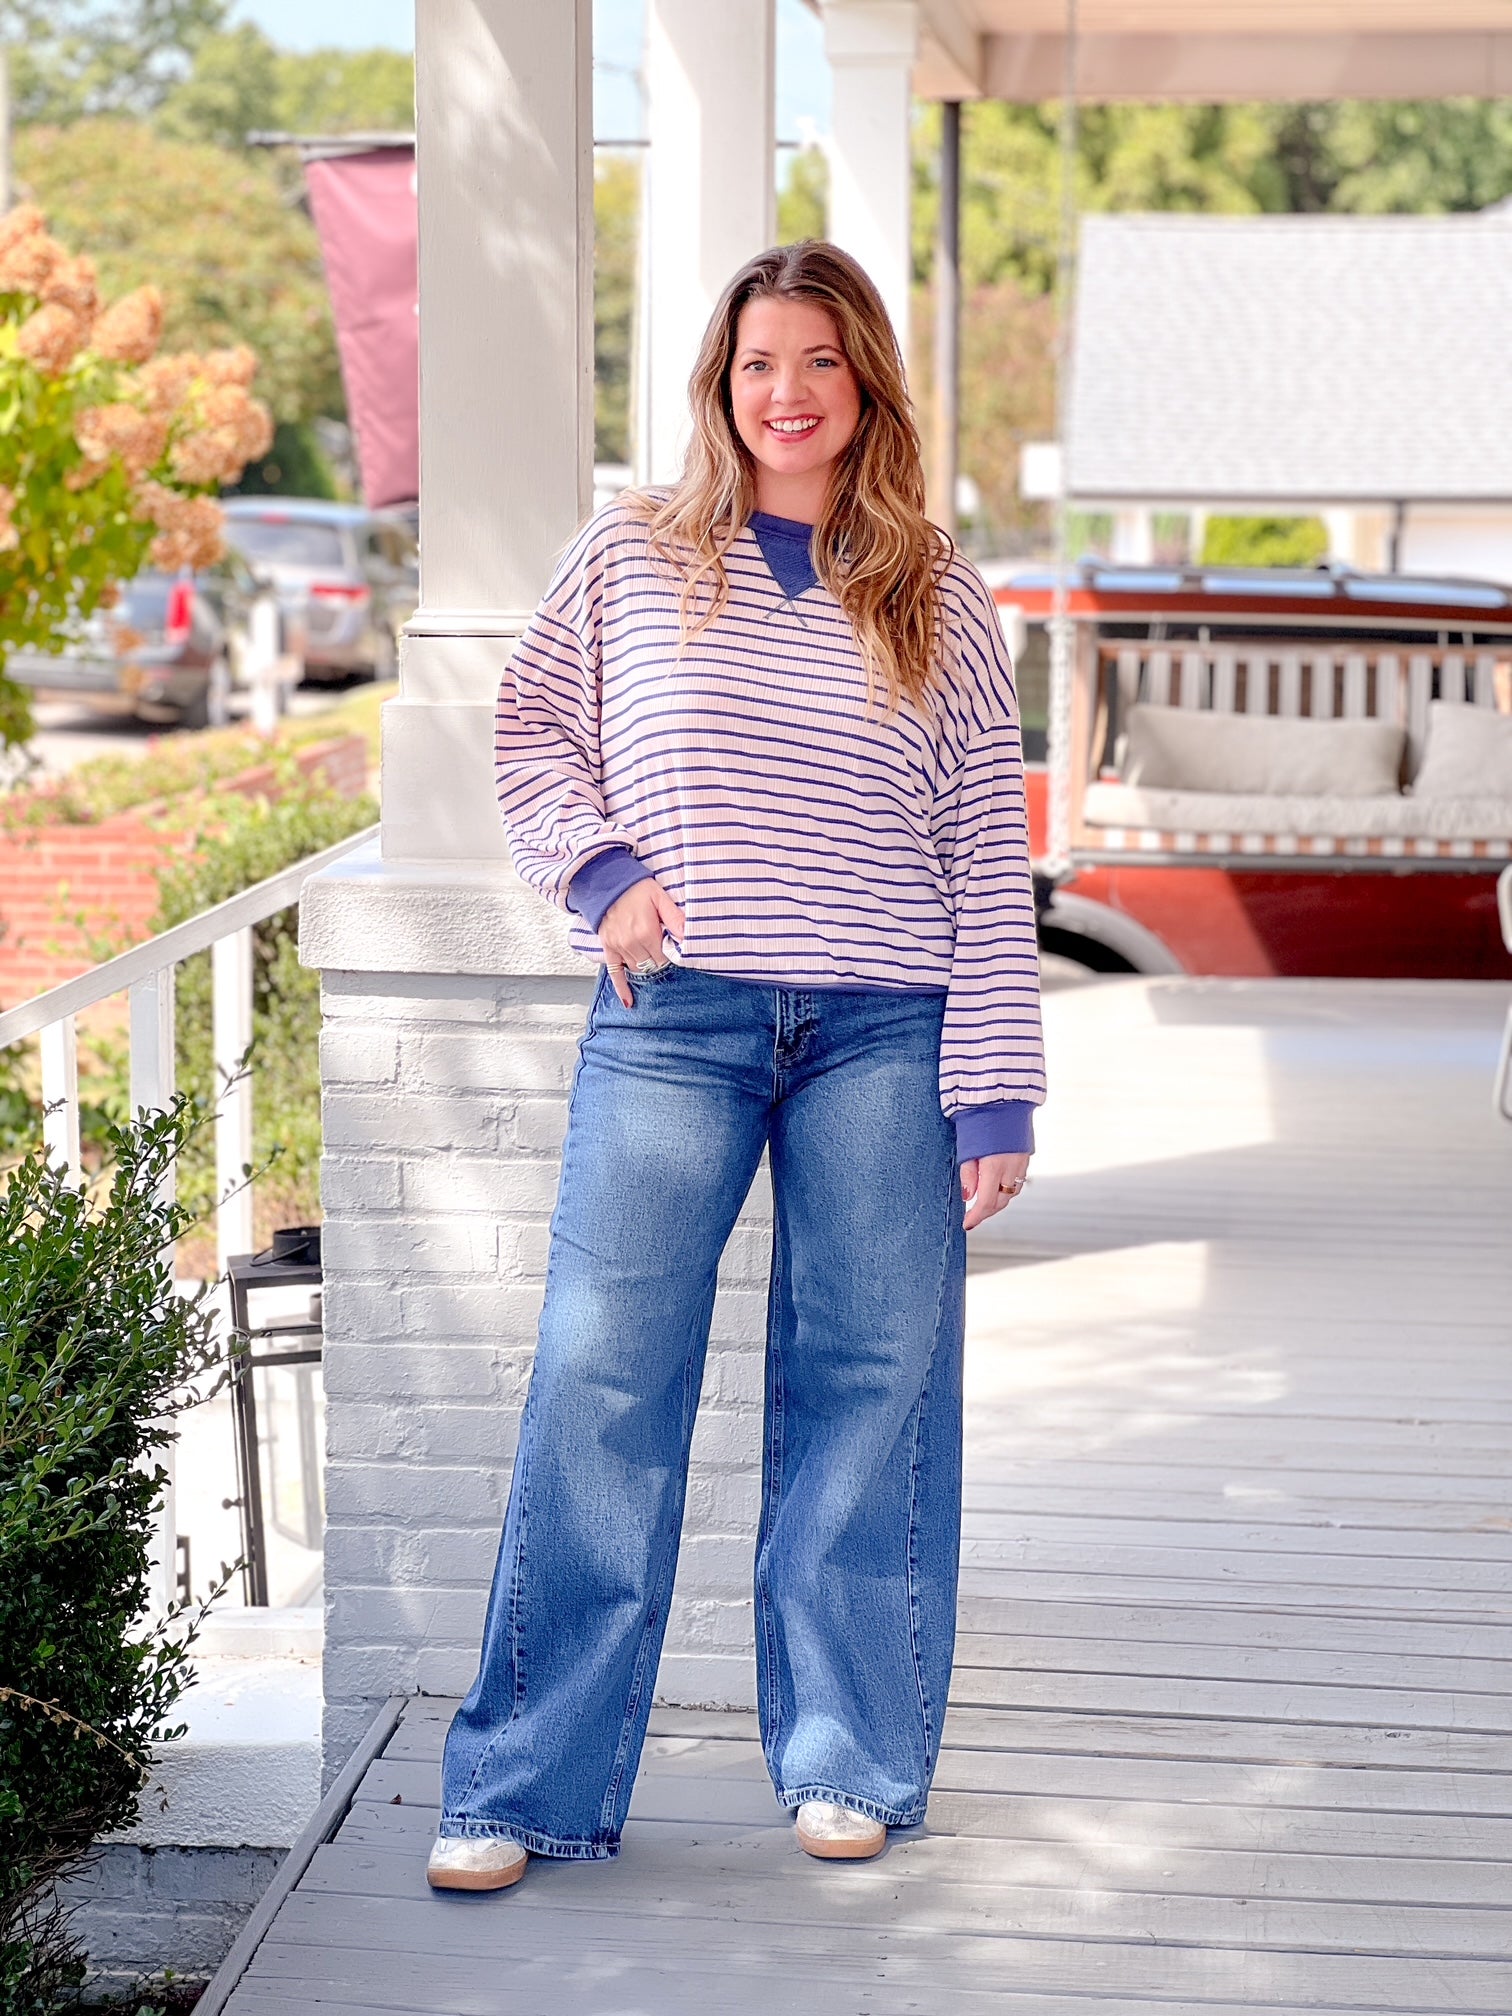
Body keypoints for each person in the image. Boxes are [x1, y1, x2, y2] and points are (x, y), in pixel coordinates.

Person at [427, 240, 1045, 1892]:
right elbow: (532, 728)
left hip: (886, 1031)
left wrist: (997, 1088)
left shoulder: (941, 588)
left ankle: (851, 1758)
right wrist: (604, 874)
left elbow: (990, 851)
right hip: (677, 1017)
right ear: (721, 381)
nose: (790, 394)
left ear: (868, 390)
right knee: (600, 1379)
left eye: (824, 365)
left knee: (871, 1387)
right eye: (762, 363)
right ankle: (521, 1784)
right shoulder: (633, 555)